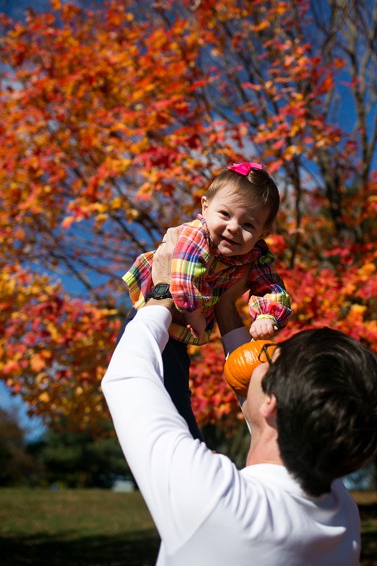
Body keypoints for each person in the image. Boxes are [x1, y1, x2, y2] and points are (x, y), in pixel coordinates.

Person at [102, 230, 377, 566]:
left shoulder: (216, 502)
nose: (260, 355)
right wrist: (227, 305)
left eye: (272, 358)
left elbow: (127, 377)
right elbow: (254, 386)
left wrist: (161, 293)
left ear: (273, 404)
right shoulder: (340, 514)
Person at [121, 162, 292, 439]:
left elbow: (271, 285)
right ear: (205, 207)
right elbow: (184, 271)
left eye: (248, 224)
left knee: (177, 389)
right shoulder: (195, 234)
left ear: (263, 233)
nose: (233, 228)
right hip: (156, 314)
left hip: (179, 335)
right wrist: (194, 312)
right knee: (152, 388)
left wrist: (267, 315)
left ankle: (188, 442)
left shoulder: (254, 254)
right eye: (224, 214)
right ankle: (178, 443)